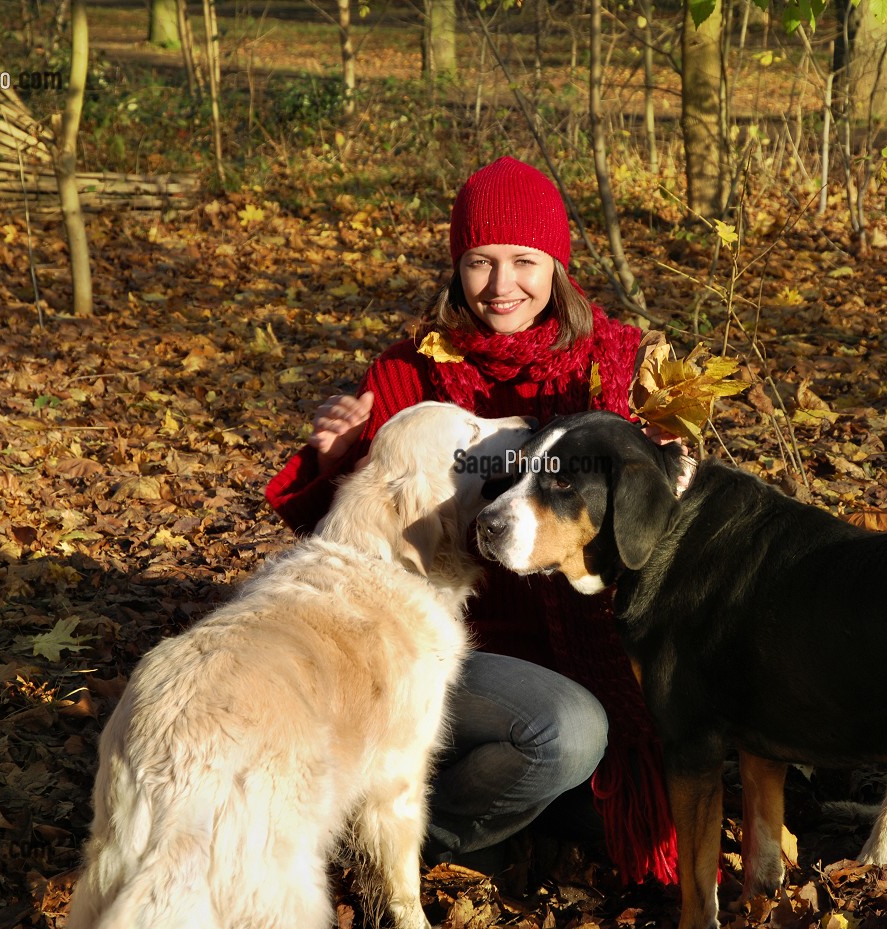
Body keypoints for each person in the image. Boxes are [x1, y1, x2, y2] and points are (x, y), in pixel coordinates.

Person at [265, 156, 677, 885]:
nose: (500, 286)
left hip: (591, 651)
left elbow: (646, 535)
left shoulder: (611, 371)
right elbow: (344, 547)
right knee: (569, 733)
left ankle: (509, 820)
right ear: (457, 267)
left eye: (524, 260)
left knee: (624, 798)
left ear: (558, 264)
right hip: (445, 651)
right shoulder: (408, 373)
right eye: (480, 263)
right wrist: (332, 461)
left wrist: (659, 473)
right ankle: (407, 842)